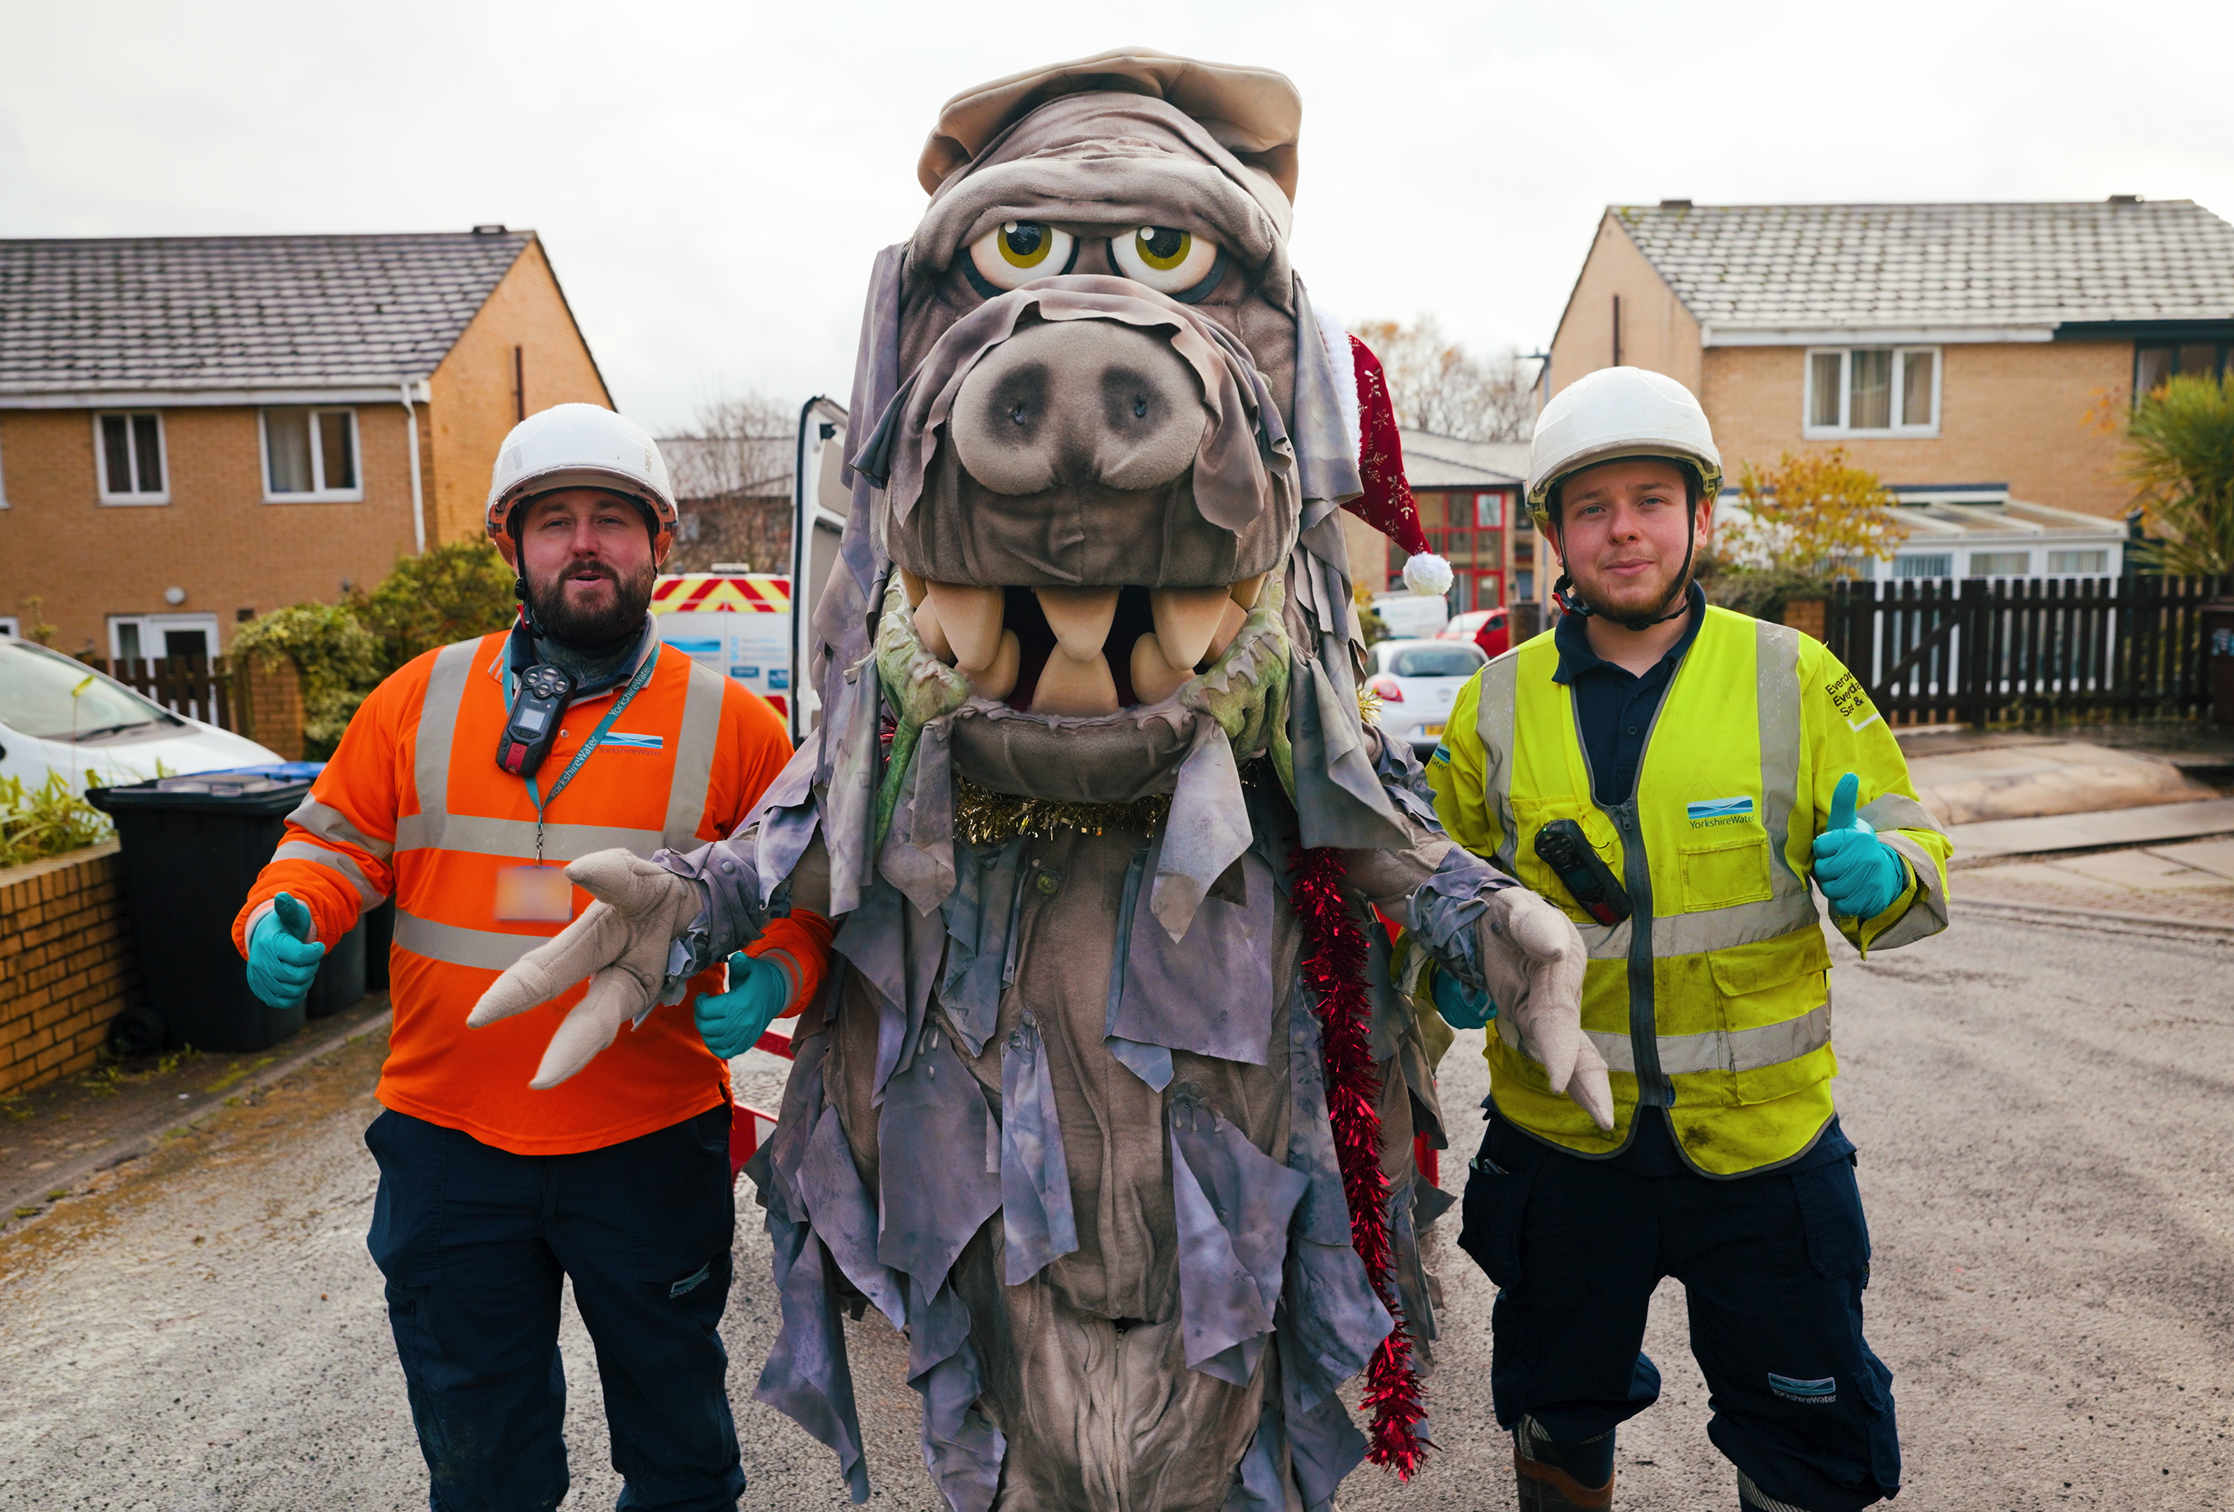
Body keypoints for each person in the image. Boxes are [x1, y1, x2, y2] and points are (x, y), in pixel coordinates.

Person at [232, 403, 832, 1512]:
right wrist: (290, 912)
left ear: (659, 544)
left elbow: (801, 898)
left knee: (679, 1440)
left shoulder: (734, 725)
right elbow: (332, 843)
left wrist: (776, 976)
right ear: (512, 546)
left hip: (646, 1141)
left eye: (613, 519)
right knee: (481, 1452)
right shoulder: (419, 698)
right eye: (554, 522)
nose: (585, 544)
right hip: (450, 1144)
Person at [1422, 367, 1952, 1512]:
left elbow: (1915, 864)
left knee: (1805, 1443)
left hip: (1761, 1153)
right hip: (1561, 1148)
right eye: (1591, 506)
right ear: (1553, 535)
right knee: (1558, 1412)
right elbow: (1440, 891)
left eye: (1650, 500)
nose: (1623, 530)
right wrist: (1452, 968)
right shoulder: (1492, 705)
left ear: (1699, 516)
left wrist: (1882, 878)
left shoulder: (1791, 676)